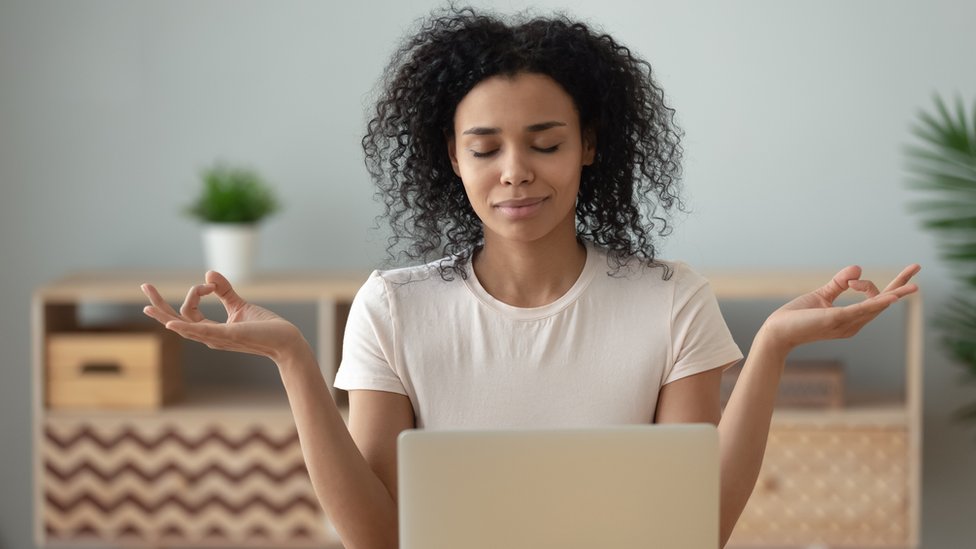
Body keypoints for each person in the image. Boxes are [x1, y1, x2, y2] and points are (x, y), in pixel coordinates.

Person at [140, 6, 919, 549]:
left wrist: (774, 346)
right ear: (452, 158)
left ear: (588, 146)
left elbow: (694, 528)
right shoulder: (394, 305)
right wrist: (294, 361)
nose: (516, 173)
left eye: (545, 142)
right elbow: (381, 537)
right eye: (485, 149)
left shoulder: (671, 298)